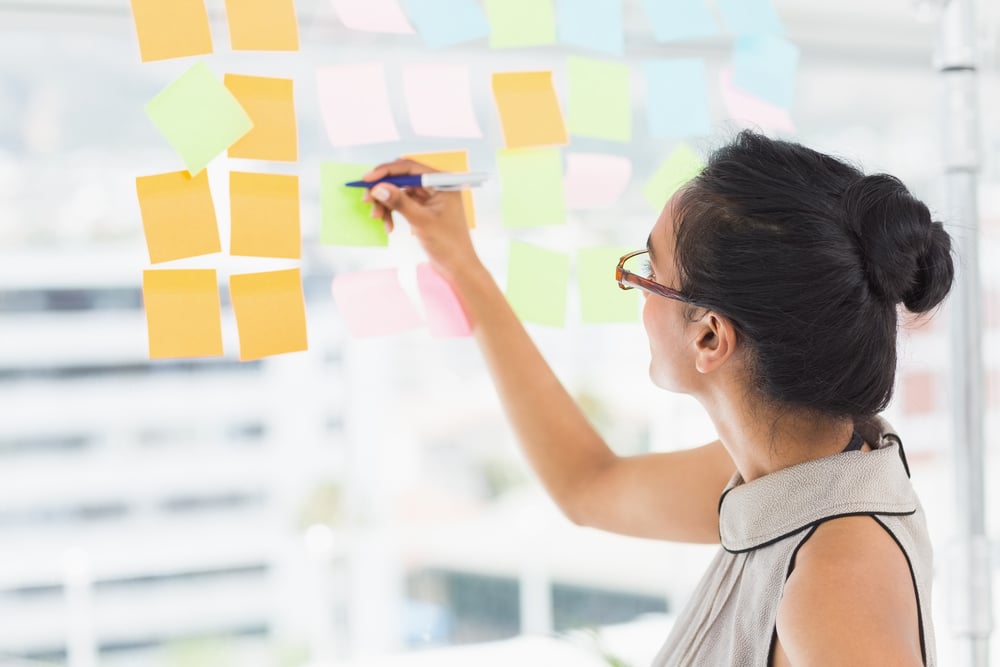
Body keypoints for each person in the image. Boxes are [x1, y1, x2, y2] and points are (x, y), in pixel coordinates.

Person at [360, 130, 953, 666]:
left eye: (647, 273)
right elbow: (587, 485)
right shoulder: (792, 476)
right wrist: (458, 258)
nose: (636, 294)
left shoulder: (836, 576)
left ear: (709, 335)